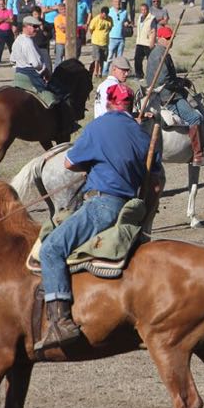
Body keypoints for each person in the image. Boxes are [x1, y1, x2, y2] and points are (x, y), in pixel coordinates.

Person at [36, 81, 160, 351]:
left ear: (110, 103)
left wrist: (92, 162)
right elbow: (156, 178)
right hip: (130, 208)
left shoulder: (98, 127)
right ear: (130, 105)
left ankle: (61, 322)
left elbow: (69, 162)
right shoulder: (143, 135)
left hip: (101, 206)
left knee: (51, 249)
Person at [146, 25, 204, 165]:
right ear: (160, 38)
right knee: (195, 118)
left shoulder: (161, 52)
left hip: (165, 91)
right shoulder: (160, 55)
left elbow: (169, 78)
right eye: (168, 38)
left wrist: (181, 81)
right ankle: (198, 156)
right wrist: (179, 84)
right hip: (167, 96)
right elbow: (164, 81)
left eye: (171, 38)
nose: (170, 41)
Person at [105, 0, 130, 76]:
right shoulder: (109, 11)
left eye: (119, 2)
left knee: (119, 58)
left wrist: (127, 23)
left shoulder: (124, 12)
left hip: (121, 38)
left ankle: (118, 74)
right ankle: (104, 72)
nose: (117, 3)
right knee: (109, 57)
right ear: (113, 2)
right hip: (111, 37)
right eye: (115, 2)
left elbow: (128, 21)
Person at [87, 6, 113, 78]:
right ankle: (95, 72)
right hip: (96, 42)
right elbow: (91, 29)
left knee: (102, 59)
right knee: (97, 58)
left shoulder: (110, 19)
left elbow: (110, 28)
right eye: (104, 15)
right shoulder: (95, 19)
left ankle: (100, 72)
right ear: (101, 13)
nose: (105, 16)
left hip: (105, 42)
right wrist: (95, 36)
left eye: (106, 15)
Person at [134, 3, 155, 78]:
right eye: (142, 10)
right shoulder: (140, 17)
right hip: (139, 42)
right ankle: (139, 75)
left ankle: (152, 75)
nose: (143, 11)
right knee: (137, 59)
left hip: (147, 43)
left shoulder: (152, 18)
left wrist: (152, 41)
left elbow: (153, 31)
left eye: (145, 10)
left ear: (148, 10)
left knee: (150, 60)